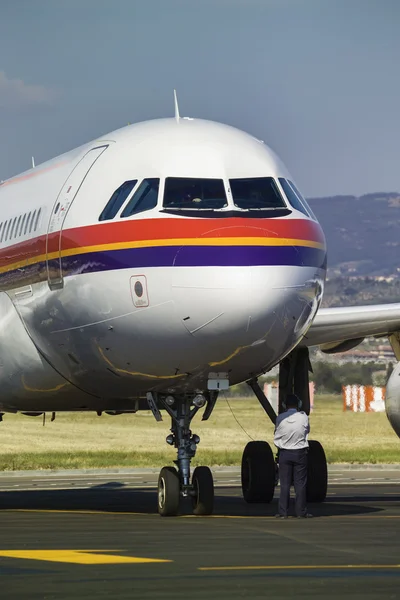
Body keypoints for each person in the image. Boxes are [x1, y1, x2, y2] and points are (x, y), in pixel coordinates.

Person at [274, 393, 312, 519]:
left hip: (285, 452)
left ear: (285, 405)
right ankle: (301, 512)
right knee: (300, 484)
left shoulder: (280, 418)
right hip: (300, 452)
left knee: (284, 484)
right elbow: (307, 431)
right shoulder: (304, 417)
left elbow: (277, 434)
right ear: (298, 404)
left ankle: (283, 512)